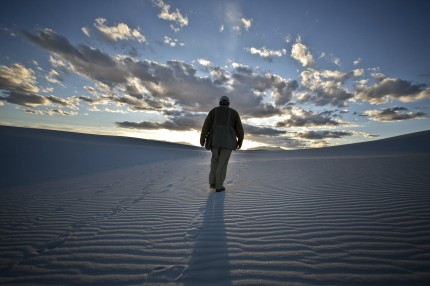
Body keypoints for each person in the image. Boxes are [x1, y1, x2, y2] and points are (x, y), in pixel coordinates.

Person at [200, 96, 244, 192]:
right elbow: (240, 129)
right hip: (228, 143)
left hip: (214, 142)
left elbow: (205, 126)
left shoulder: (213, 111)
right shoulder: (234, 113)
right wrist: (240, 141)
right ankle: (219, 186)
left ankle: (212, 183)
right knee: (222, 164)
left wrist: (202, 139)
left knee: (214, 162)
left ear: (220, 102)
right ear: (228, 103)